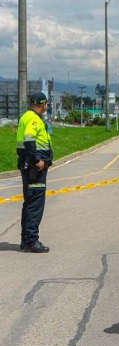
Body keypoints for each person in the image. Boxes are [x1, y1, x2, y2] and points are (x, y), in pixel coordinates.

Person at [16, 92, 53, 253]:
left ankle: (26, 239)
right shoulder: (32, 118)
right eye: (46, 104)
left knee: (30, 202)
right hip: (35, 167)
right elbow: (29, 139)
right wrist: (38, 160)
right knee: (35, 204)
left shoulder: (27, 116)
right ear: (43, 104)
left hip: (29, 165)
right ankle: (32, 241)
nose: (46, 107)